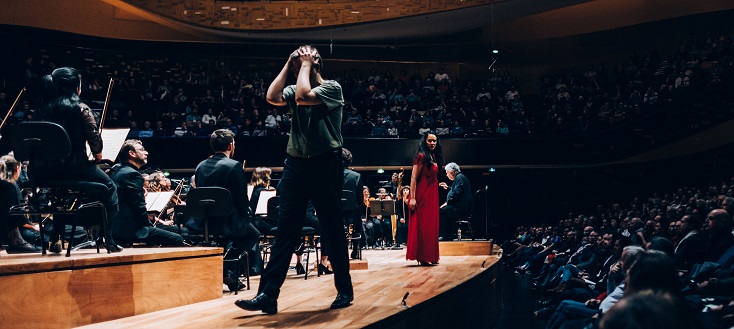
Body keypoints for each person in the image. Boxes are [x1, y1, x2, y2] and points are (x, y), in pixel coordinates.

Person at [236, 45, 353, 314]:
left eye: (304, 63)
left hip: (325, 163)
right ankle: (268, 294)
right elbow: (272, 95)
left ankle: (344, 290)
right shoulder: (296, 83)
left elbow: (303, 96)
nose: (301, 67)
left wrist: (305, 65)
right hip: (296, 164)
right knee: (285, 230)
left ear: (315, 65)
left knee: (332, 228)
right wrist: (289, 64)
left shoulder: (332, 88)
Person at [36, 67, 121, 253]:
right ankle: (110, 239)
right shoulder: (81, 109)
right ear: (77, 87)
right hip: (75, 168)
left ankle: (54, 239)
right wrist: (97, 156)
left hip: (45, 171)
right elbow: (96, 146)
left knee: (60, 195)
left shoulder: (43, 110)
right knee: (111, 189)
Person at [194, 129, 262, 292]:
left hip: (205, 221)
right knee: (253, 234)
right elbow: (241, 197)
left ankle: (229, 275)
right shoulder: (234, 165)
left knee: (231, 236)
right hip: (228, 221)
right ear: (231, 146)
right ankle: (227, 263)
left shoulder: (200, 166)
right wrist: (247, 215)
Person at [109, 140, 184, 247]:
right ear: (132, 153)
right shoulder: (132, 174)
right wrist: (149, 226)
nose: (146, 153)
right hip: (129, 229)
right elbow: (138, 207)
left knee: (177, 231)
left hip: (116, 227)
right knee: (178, 238)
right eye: (142, 150)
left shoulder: (118, 171)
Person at [407, 132, 442, 266]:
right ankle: (422, 256)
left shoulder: (432, 156)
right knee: (423, 226)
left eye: (434, 141)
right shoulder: (421, 156)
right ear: (424, 141)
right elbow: (413, 178)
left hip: (431, 194)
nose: (432, 143)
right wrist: (413, 198)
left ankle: (431, 255)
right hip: (422, 194)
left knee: (431, 225)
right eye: (430, 141)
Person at [0, 154, 41, 253]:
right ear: (17, 168)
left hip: (12, 231)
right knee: (43, 239)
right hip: (17, 232)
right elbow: (17, 218)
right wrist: (34, 226)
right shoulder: (11, 187)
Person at [438, 162, 473, 240]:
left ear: (452, 172)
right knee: (444, 210)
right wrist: (448, 188)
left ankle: (445, 235)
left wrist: (447, 203)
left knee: (442, 211)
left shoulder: (459, 178)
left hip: (461, 208)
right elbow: (456, 190)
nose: (447, 175)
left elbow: (457, 193)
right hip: (460, 207)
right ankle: (450, 234)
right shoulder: (460, 177)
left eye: (447, 173)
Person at [341, 148, 363, 259]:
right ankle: (355, 250)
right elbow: (360, 199)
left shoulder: (329, 175)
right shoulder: (356, 176)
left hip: (336, 213)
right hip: (352, 214)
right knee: (357, 223)